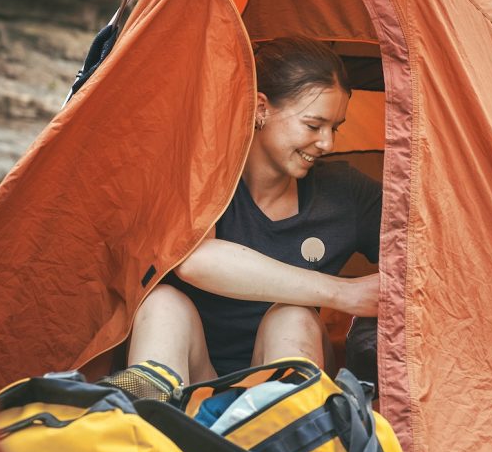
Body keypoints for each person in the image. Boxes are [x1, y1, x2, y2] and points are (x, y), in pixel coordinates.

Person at [111, 36, 381, 399]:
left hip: (276, 373)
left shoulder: (346, 194)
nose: (327, 143)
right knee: (163, 303)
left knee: (293, 316)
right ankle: (144, 422)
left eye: (336, 128)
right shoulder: (205, 173)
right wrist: (342, 293)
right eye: (313, 126)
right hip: (191, 376)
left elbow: (429, 252)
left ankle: (285, 431)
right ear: (260, 108)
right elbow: (194, 260)